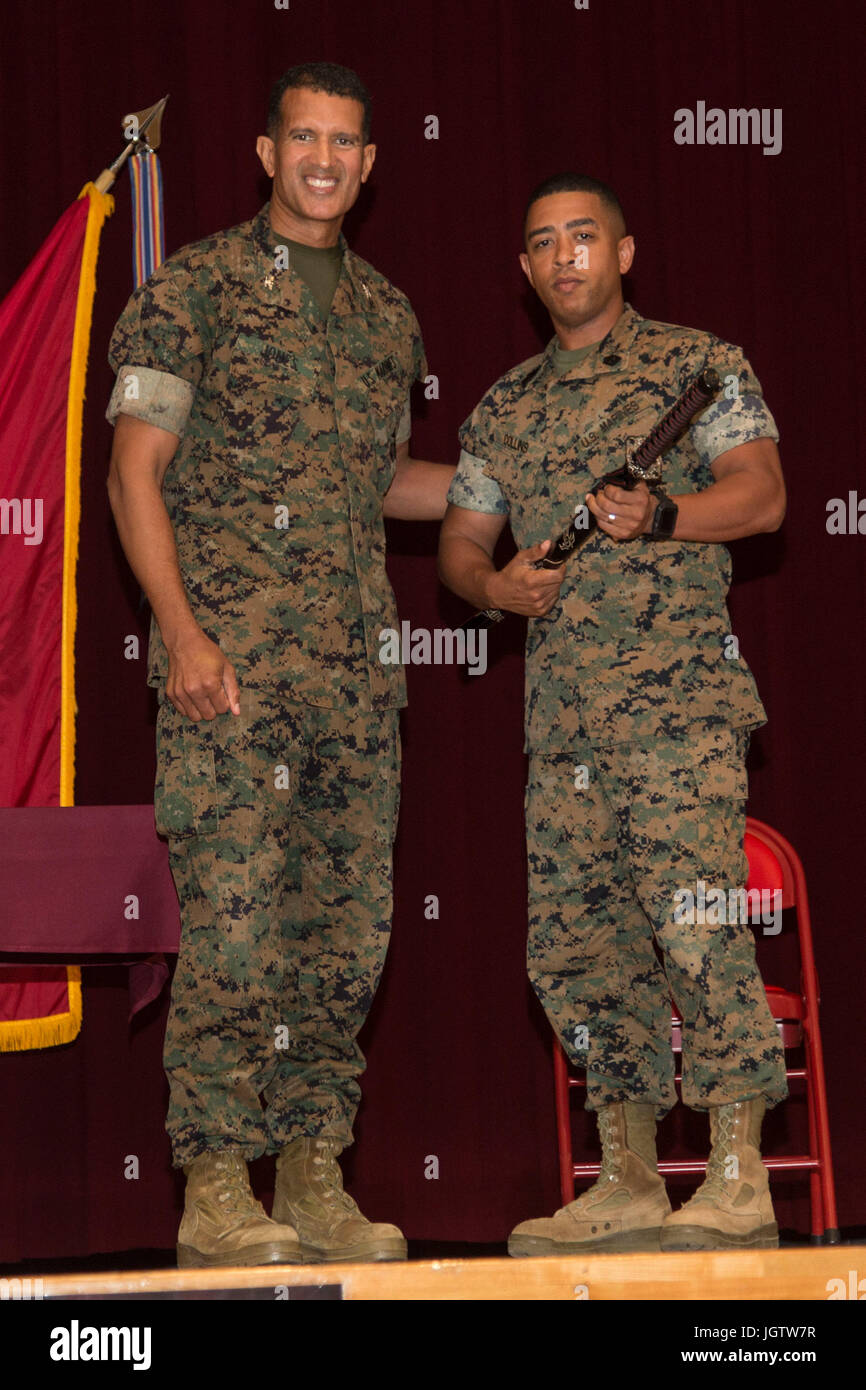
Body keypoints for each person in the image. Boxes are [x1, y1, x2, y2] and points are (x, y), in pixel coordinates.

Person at [106, 62, 452, 1268]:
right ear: (265, 153)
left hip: (355, 685)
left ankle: (311, 1174)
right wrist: (185, 634)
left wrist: (492, 491)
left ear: (367, 163)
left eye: (345, 142)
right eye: (301, 137)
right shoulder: (189, 287)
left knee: (343, 940)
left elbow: (378, 486)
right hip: (232, 678)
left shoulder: (385, 314)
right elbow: (132, 473)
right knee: (238, 934)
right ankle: (214, 1183)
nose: (322, 159)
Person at [438, 172, 789, 1255]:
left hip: (677, 711)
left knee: (693, 929)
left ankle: (735, 1175)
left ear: (622, 252)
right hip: (565, 731)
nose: (563, 258)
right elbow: (458, 540)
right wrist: (491, 586)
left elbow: (763, 495)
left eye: (582, 238)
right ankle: (627, 1174)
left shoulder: (697, 363)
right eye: (542, 243)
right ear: (525, 268)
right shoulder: (503, 403)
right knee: (580, 951)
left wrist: (665, 512)